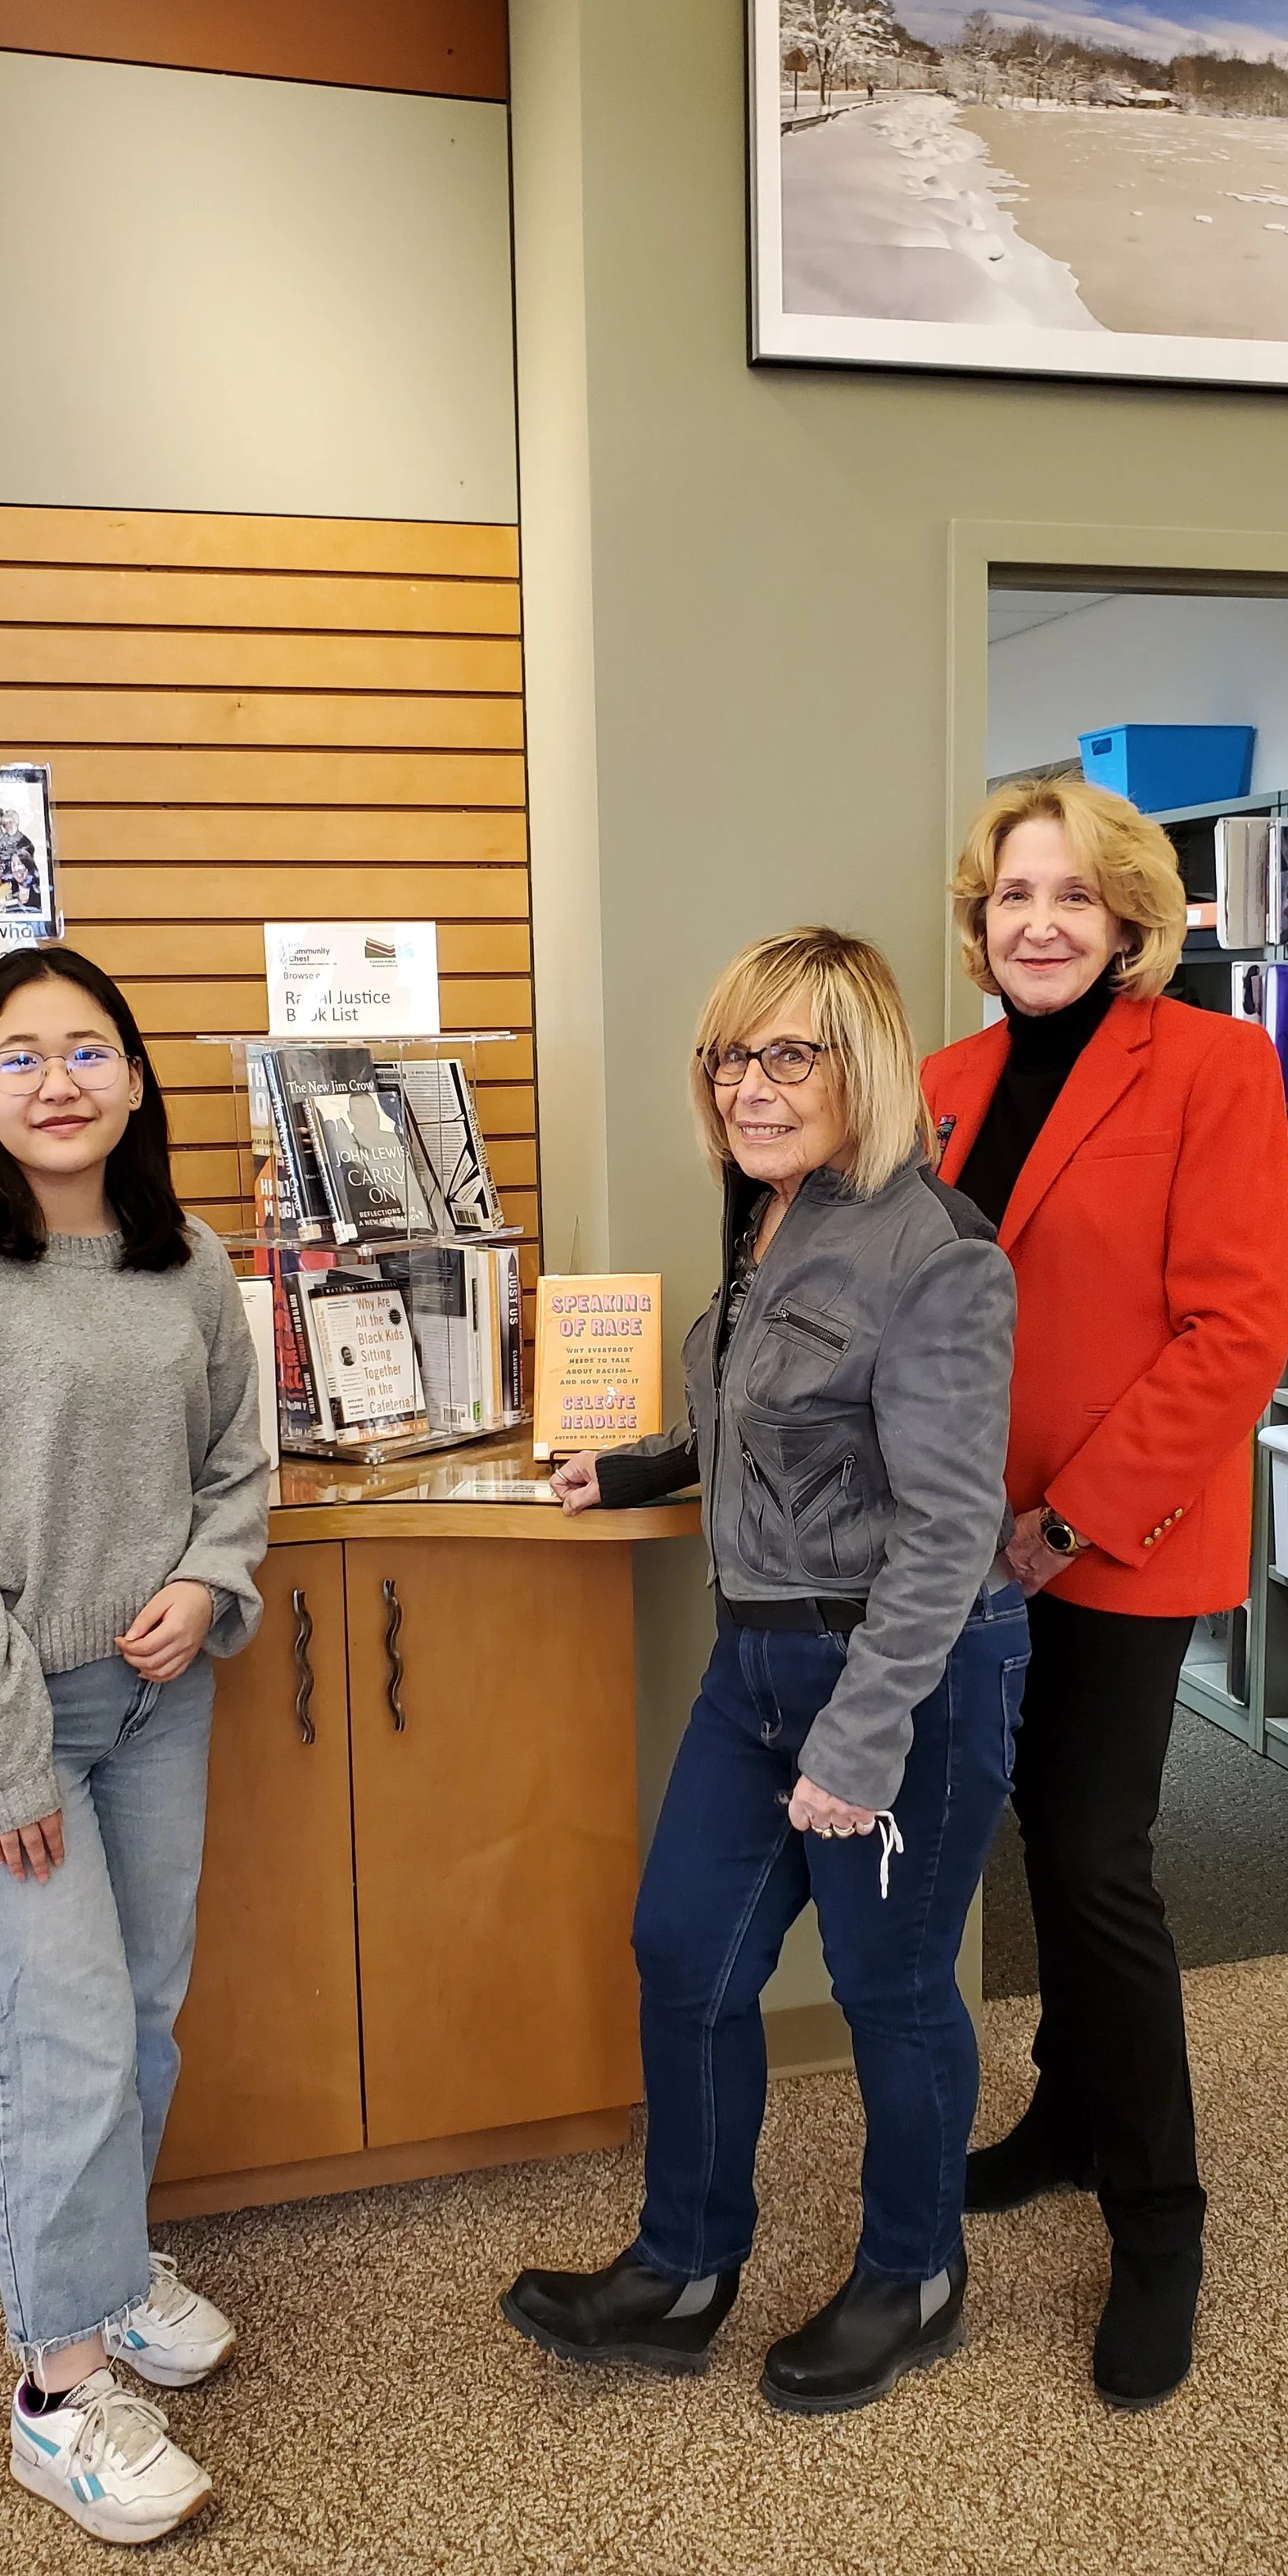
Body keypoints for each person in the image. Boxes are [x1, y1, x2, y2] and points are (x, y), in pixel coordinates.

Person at [503, 927, 1026, 2416]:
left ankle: (913, 2276)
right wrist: (641, 1465)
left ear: (863, 1066)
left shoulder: (940, 1254)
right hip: (757, 1662)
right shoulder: (768, 1218)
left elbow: (944, 1530)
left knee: (890, 1986)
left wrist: (860, 1747)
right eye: (731, 1055)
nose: (750, 1084)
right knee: (687, 1951)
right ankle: (683, 2269)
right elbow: (777, 1422)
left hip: (904, 1676)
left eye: (789, 1053)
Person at [0, 944, 269, 2546]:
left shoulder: (185, 1260)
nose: (56, 1079)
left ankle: (106, 2263)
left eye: (86, 1049)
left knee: (141, 2011)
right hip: (12, 1731)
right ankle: (57, 2393)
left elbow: (240, 1463)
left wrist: (201, 1580)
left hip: (163, 1701)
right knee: (60, 2039)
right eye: (18, 1056)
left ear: (135, 1080)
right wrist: (3, 1756)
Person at [924, 775, 1288, 2411]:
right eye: (1013, 897)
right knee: (1034, 1837)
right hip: (968, 1541)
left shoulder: (1212, 1062)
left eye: (1072, 896)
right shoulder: (943, 1080)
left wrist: (1067, 1517)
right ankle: (1068, 2115)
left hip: (1115, 1538)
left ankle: (1160, 2225)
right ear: (979, 920)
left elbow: (1233, 1330)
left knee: (1094, 1858)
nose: (1041, 922)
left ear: (1129, 916)